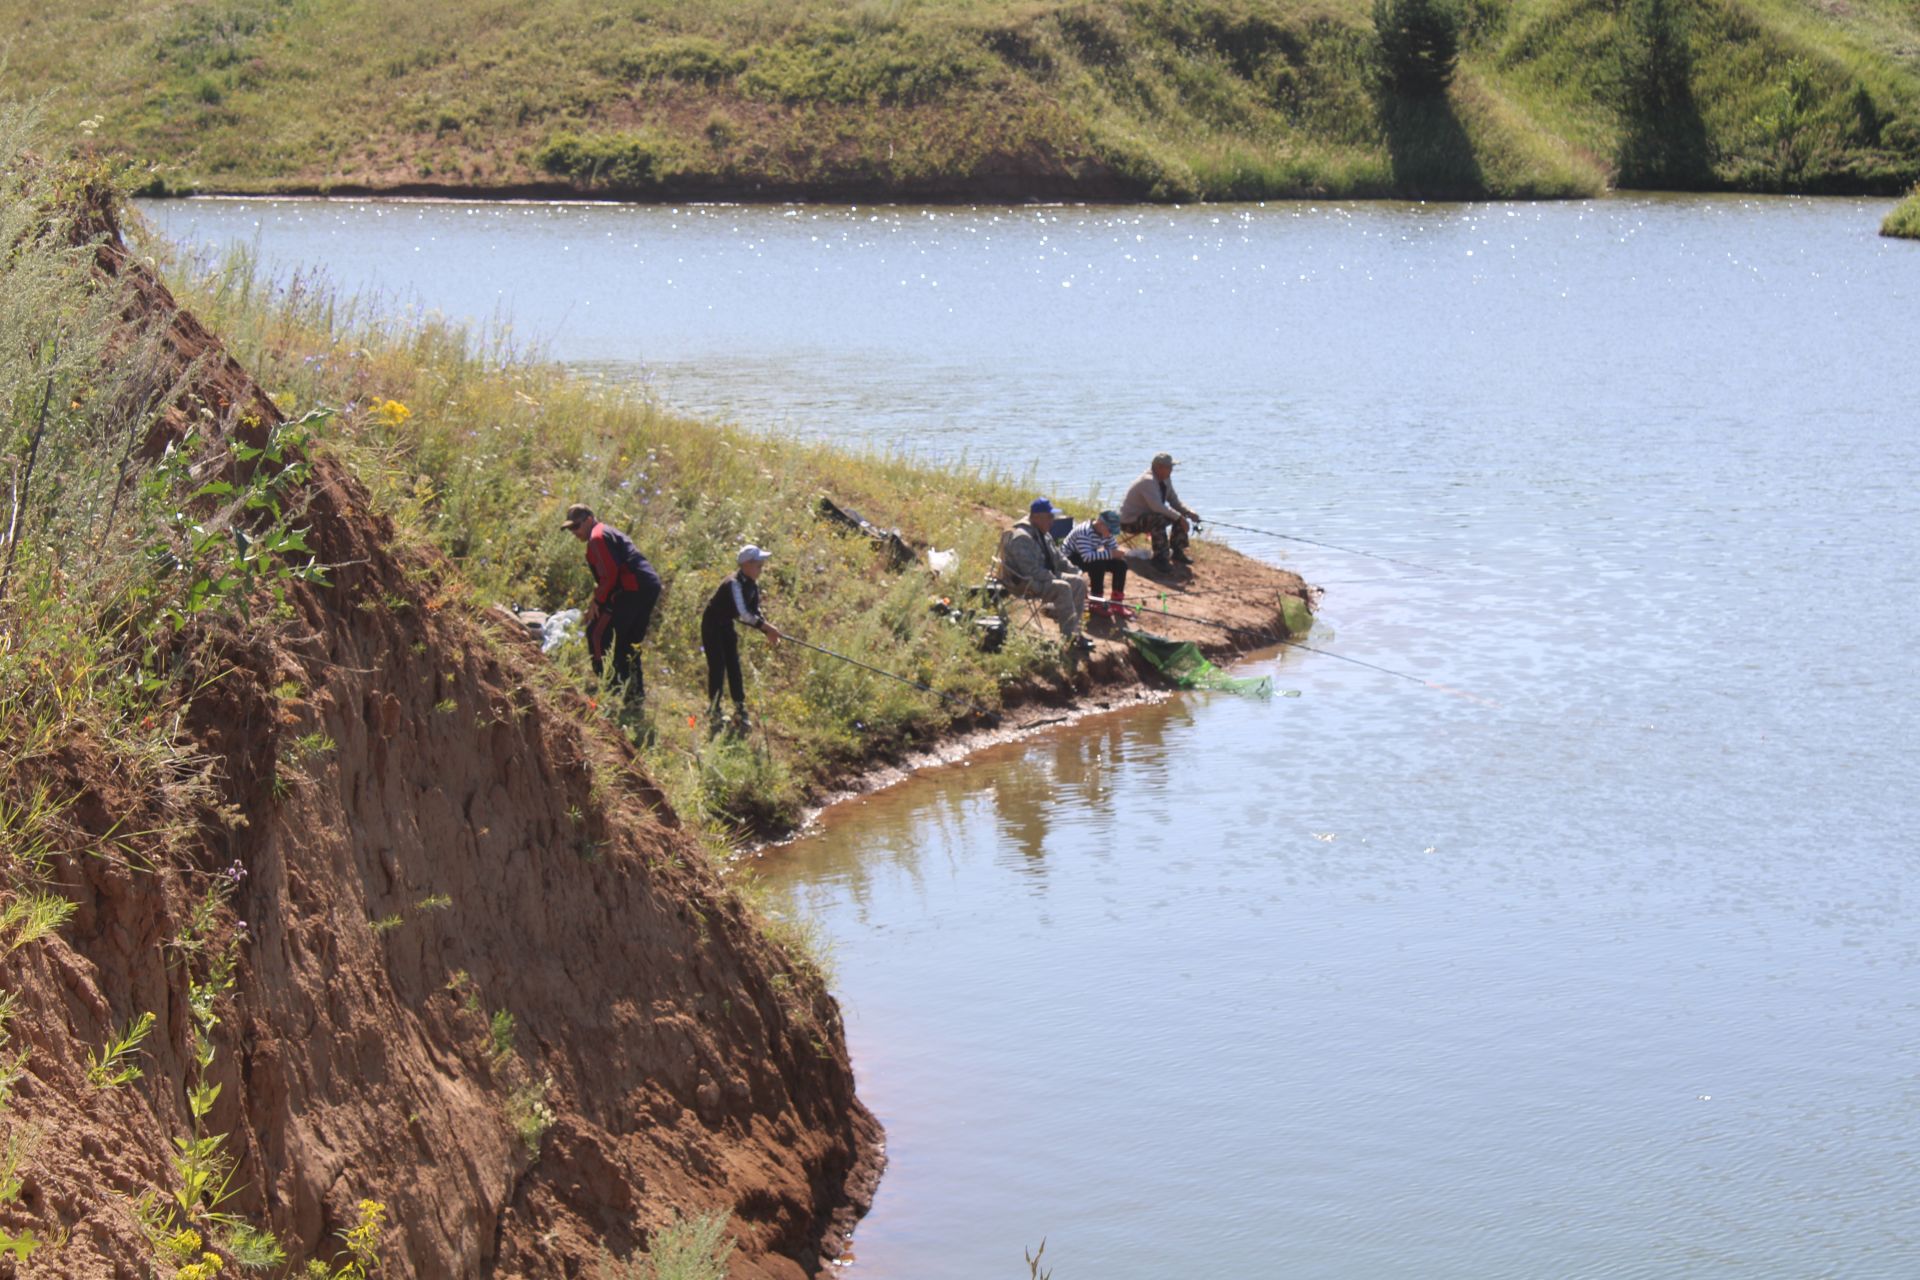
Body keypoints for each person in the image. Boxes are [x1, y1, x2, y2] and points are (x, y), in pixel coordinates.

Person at [564, 503, 662, 706]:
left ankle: (608, 683)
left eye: (576, 526)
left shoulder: (597, 538)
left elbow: (609, 575)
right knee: (629, 642)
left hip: (632, 589)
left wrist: (598, 602)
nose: (573, 532)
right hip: (646, 586)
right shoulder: (605, 532)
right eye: (570, 528)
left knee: (597, 632)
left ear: (589, 520)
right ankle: (634, 694)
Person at [701, 544, 782, 732]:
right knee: (718, 666)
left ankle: (740, 709)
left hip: (726, 624)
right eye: (758, 564)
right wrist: (768, 628)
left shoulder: (752, 585)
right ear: (746, 565)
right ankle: (714, 710)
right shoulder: (734, 583)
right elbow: (743, 614)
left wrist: (767, 631)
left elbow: (754, 611)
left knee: (734, 666)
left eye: (761, 564)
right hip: (712, 624)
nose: (761, 567)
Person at [1000, 497, 1089, 649]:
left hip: (1045, 576)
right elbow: (1030, 571)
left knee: (1079, 583)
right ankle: (1069, 639)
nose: (1052, 521)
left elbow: (1059, 558)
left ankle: (1075, 631)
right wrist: (1054, 578)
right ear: (1036, 517)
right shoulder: (1022, 537)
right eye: (1049, 517)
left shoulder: (1044, 533)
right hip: (1026, 583)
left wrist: (1076, 572)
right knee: (1063, 587)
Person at [1120, 452, 1201, 572]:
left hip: (1148, 517)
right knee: (1159, 519)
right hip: (1130, 522)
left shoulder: (1165, 479)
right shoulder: (1147, 481)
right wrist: (1179, 518)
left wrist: (1189, 512)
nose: (1171, 470)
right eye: (1169, 467)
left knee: (1179, 515)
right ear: (1158, 467)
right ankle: (1160, 559)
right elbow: (1157, 507)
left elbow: (1174, 501)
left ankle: (1177, 551)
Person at [1065, 509, 1130, 618]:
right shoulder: (1084, 532)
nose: (1111, 534)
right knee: (1098, 565)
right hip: (1071, 557)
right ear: (1100, 524)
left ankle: (1117, 602)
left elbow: (1112, 548)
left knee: (1121, 564)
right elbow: (1087, 557)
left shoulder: (1105, 533)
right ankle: (1096, 601)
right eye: (1110, 530)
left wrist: (1117, 553)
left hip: (1088, 554)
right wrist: (1111, 554)